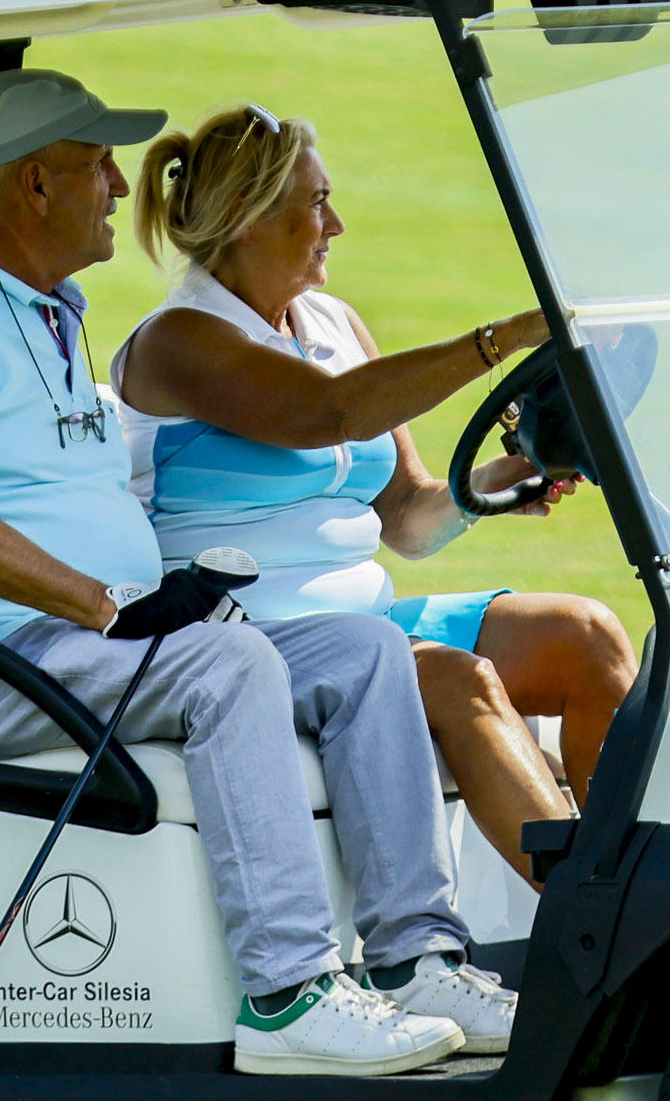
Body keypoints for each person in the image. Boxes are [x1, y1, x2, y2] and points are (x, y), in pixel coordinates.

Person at [0, 67, 518, 1076]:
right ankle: (287, 995)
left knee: (368, 650)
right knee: (227, 667)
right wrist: (113, 606)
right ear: (34, 185)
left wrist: (131, 608)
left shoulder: (44, 310)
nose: (119, 187)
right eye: (97, 165)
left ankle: (415, 955)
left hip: (81, 640)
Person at [111, 103, 639, 882]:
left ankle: (624, 878)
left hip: (369, 621)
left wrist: (488, 485)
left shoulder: (333, 323)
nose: (339, 223)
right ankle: (590, 918)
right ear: (249, 221)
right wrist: (505, 339)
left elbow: (406, 521)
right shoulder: (180, 340)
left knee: (584, 635)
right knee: (460, 680)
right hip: (252, 641)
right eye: (317, 202)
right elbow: (329, 412)